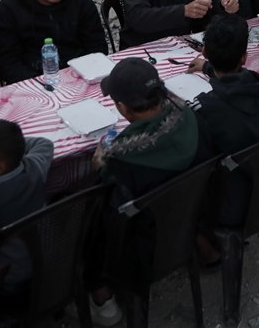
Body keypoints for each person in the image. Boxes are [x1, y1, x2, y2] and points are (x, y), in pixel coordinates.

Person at [83, 58, 209, 324]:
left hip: (145, 245)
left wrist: (100, 166)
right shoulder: (187, 114)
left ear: (121, 108)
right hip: (190, 212)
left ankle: (102, 298)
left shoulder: (120, 157)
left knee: (85, 219)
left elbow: (108, 212)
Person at [186, 16, 259, 225]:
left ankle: (206, 247)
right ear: (244, 58)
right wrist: (206, 68)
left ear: (204, 52)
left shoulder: (205, 107)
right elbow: (232, 80)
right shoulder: (257, 84)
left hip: (228, 197)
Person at [0, 121, 53, 295]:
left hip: (9, 283)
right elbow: (45, 144)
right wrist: (12, 148)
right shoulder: (34, 169)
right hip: (48, 267)